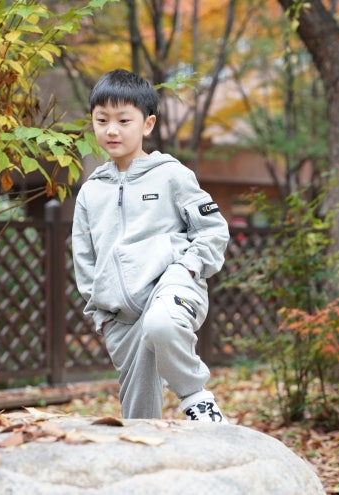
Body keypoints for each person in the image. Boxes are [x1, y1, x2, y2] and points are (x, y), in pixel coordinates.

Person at [71, 69, 231, 421]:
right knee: (138, 417)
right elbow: (84, 259)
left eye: (123, 120)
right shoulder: (91, 192)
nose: (112, 130)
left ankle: (197, 400)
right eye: (102, 120)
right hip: (121, 317)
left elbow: (213, 229)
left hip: (172, 284)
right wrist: (101, 317)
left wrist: (190, 267)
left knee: (161, 323)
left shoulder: (171, 175)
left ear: (147, 124)